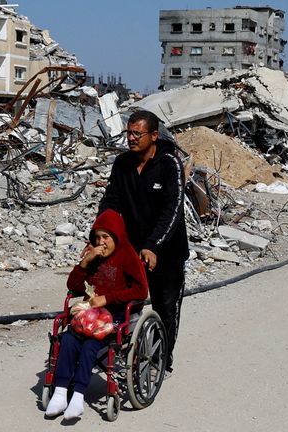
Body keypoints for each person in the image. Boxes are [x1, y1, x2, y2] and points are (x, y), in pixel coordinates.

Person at [98, 110, 189, 372]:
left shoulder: (169, 164)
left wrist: (153, 245)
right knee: (122, 303)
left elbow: (172, 211)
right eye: (129, 133)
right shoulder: (122, 164)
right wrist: (101, 235)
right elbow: (111, 201)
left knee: (165, 309)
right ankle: (119, 352)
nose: (132, 138)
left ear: (154, 136)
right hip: (131, 249)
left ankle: (161, 362)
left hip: (166, 251)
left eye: (138, 133)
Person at [45, 209, 148, 420]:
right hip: (90, 315)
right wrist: (84, 263)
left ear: (116, 237)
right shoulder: (93, 256)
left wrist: (107, 299)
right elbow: (73, 286)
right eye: (98, 237)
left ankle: (78, 396)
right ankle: (60, 392)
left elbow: (140, 291)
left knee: (90, 345)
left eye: (106, 237)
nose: (101, 242)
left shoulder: (127, 256)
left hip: (116, 316)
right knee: (68, 341)